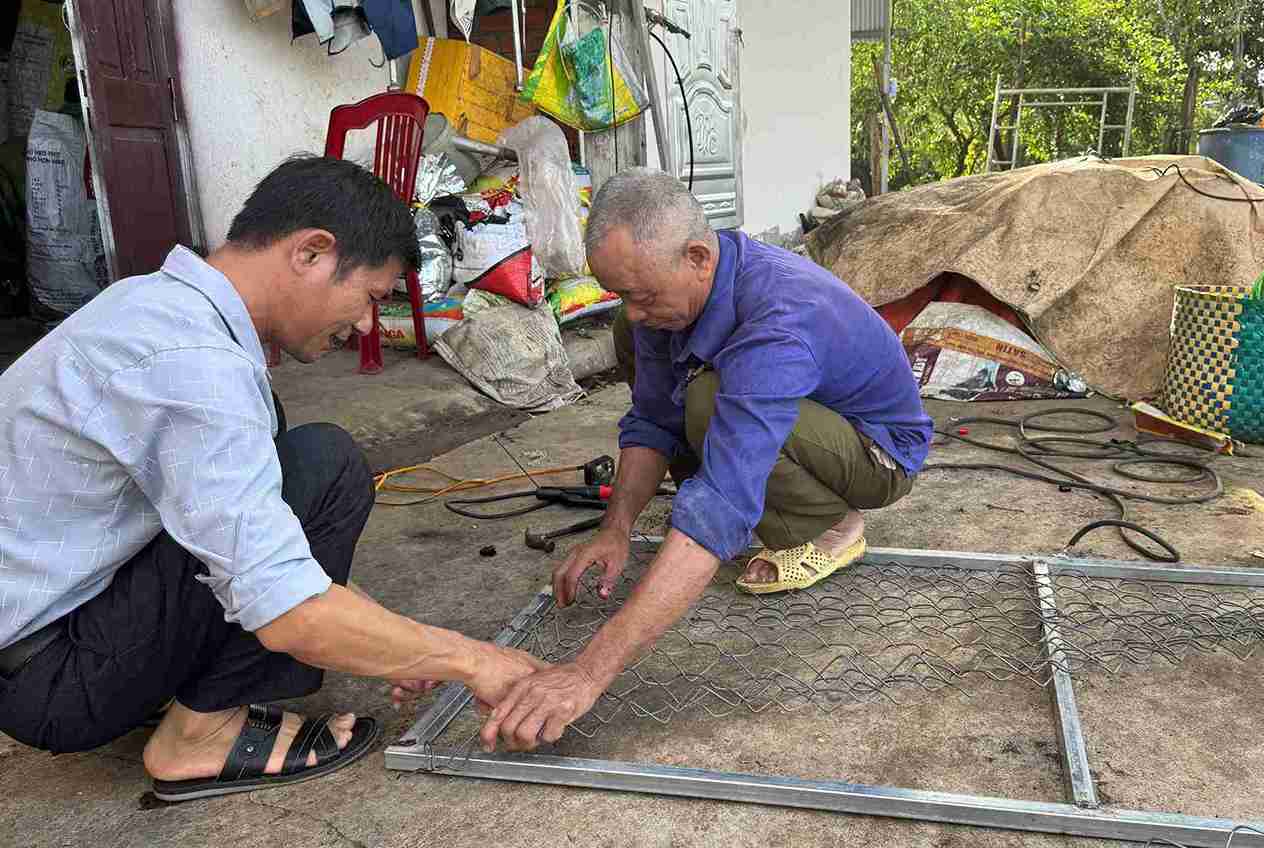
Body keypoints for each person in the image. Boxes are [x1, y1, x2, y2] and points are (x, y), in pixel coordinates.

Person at [0, 156, 544, 802]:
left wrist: (394, 640)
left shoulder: (154, 305)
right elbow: (285, 608)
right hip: (53, 674)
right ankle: (196, 736)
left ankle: (173, 693)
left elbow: (253, 532)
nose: (365, 325)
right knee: (324, 467)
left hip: (48, 633)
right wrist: (470, 659)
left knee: (277, 443)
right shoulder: (196, 368)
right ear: (311, 252)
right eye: (370, 298)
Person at [473, 168, 932, 753]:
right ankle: (756, 509)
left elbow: (722, 501)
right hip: (808, 416)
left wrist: (587, 673)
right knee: (664, 369)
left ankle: (835, 527)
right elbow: (651, 419)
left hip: (878, 453)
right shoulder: (669, 296)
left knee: (709, 402)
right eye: (623, 294)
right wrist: (616, 529)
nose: (635, 312)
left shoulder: (778, 321)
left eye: (642, 295)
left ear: (697, 257)